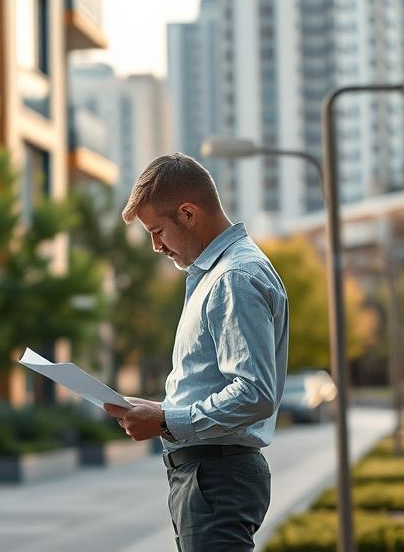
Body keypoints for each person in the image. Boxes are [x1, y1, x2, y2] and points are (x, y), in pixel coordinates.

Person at [104, 153, 289, 551]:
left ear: (188, 213)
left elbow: (256, 393)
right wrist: (159, 412)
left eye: (157, 231)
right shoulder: (219, 274)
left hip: (216, 476)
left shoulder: (234, 277)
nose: (156, 246)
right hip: (210, 475)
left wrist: (167, 419)